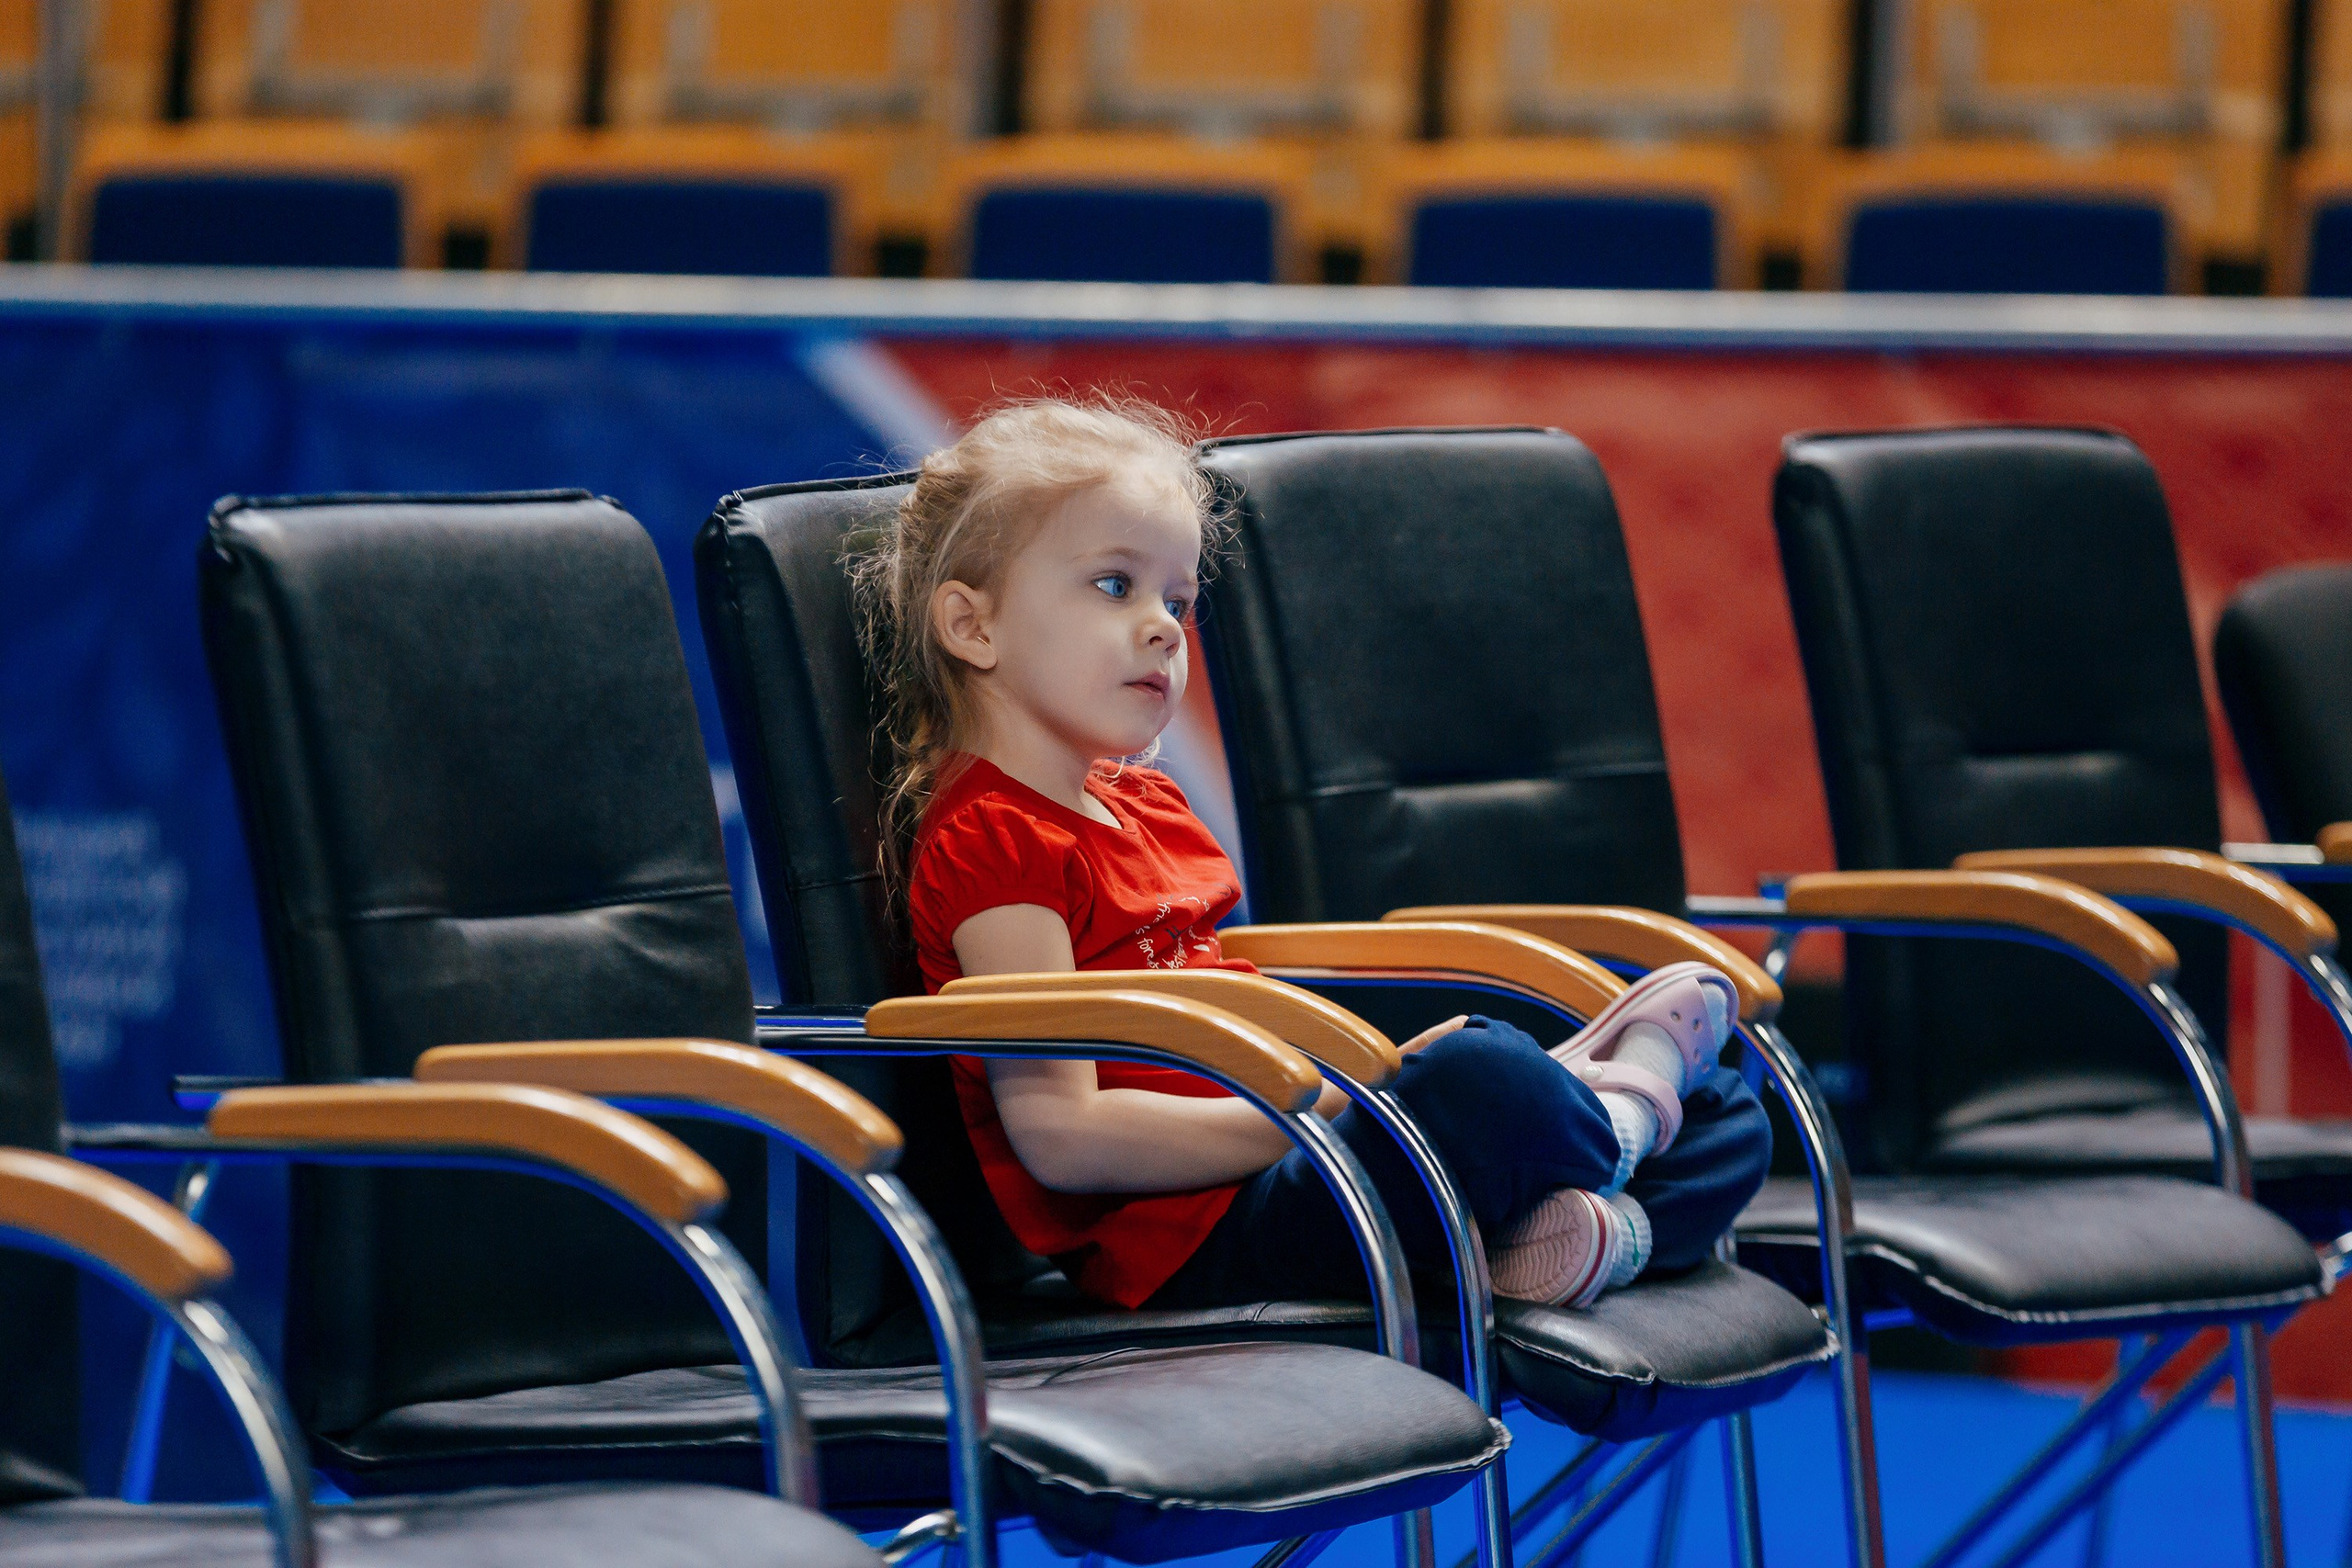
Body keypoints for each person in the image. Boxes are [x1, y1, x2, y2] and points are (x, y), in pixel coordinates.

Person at [850, 397, 1771, 1314]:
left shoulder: (1147, 805)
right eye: (1112, 586)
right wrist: (1334, 1107)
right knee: (1477, 1076)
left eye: (1176, 598)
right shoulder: (991, 840)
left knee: (1733, 1110)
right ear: (972, 628)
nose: (1166, 627)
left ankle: (1586, 1237)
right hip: (1202, 1240)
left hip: (1299, 1163)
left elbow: (1235, 1010)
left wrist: (1352, 1098)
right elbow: (1062, 1133)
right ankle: (1616, 1119)